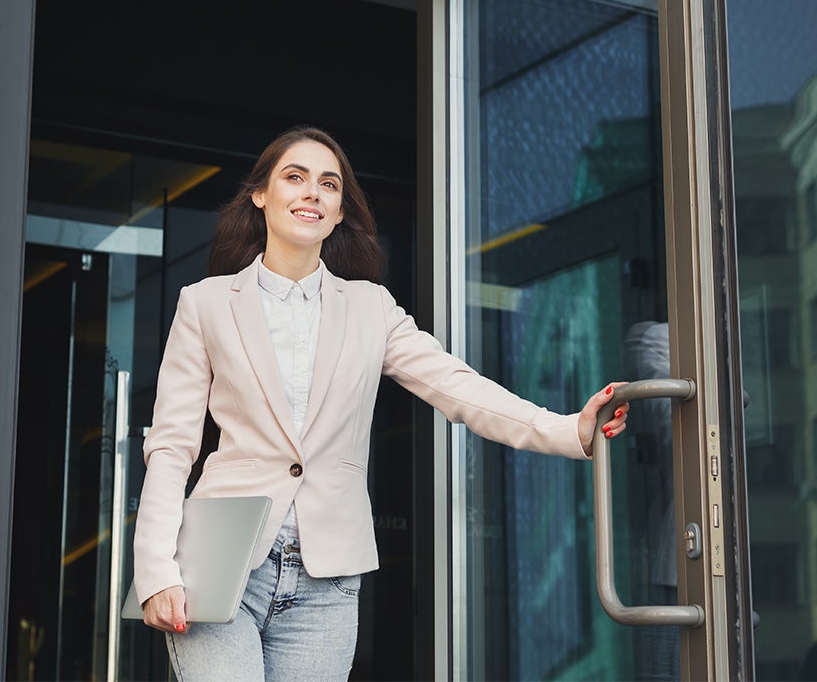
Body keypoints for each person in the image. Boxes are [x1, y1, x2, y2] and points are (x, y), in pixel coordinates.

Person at [132, 126, 629, 681]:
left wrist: (567, 429)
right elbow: (171, 446)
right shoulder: (204, 305)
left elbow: (457, 386)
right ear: (260, 195)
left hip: (327, 578)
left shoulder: (371, 308)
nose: (311, 193)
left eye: (328, 184)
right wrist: (155, 568)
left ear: (341, 210)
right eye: (294, 178)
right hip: (220, 563)